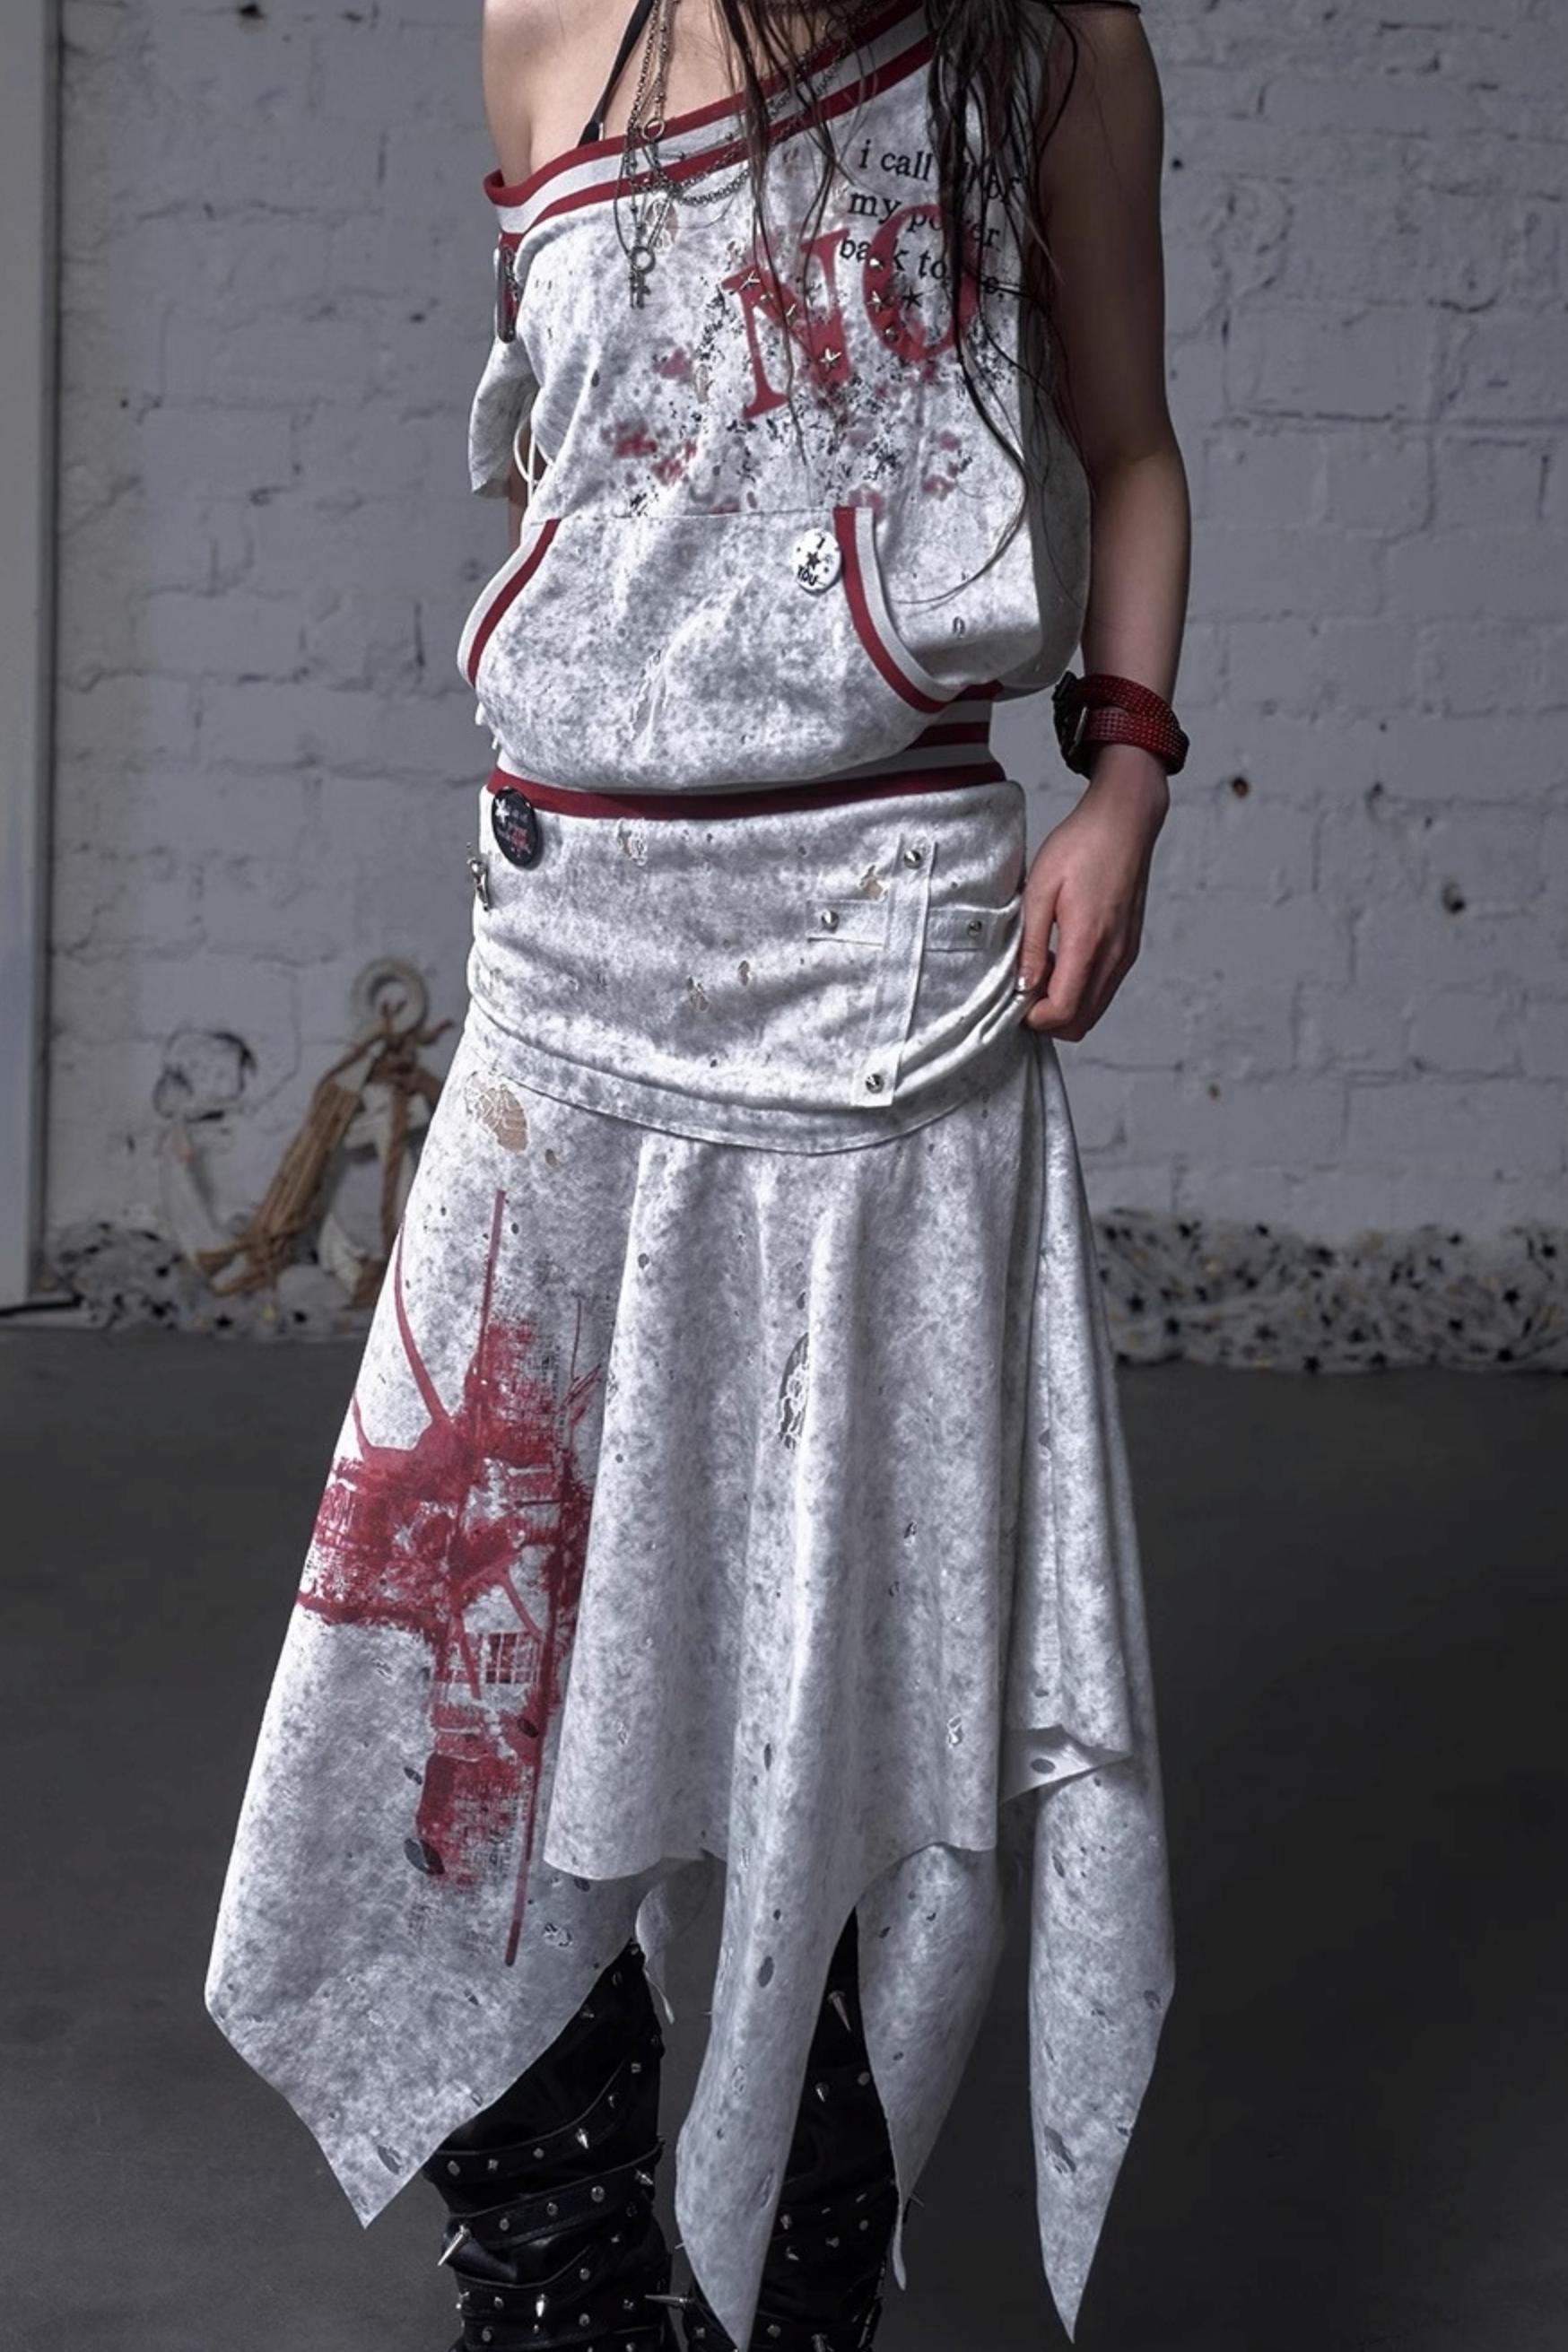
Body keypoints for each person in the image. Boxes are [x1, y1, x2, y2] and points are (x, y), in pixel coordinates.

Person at [204, 2, 1188, 2346]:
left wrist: (1126, 783)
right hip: (571, 969)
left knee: (831, 1692)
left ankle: (793, 2298)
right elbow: (583, 473)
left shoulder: (1050, 50)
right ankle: (559, 2298)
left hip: (884, 981)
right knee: (466, 1702)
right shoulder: (541, 21)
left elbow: (1130, 448)